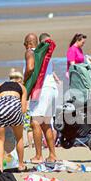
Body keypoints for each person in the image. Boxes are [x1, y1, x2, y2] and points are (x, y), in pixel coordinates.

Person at [28, 33, 61, 164]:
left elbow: (31, 71)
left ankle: (38, 155)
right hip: (52, 90)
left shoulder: (34, 54)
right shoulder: (49, 56)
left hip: (43, 90)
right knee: (45, 123)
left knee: (35, 122)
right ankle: (52, 154)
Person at [0, 69, 27, 172]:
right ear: (20, 80)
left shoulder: (0, 85)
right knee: (19, 137)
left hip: (0, 109)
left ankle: (0, 167)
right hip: (14, 106)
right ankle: (21, 164)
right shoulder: (22, 87)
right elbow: (23, 109)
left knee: (0, 140)